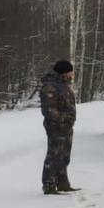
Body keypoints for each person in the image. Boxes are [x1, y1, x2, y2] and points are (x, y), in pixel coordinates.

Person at [40, 59, 78, 195]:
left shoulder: (63, 85)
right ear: (64, 72)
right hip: (56, 127)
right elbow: (49, 109)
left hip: (66, 126)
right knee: (54, 155)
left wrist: (68, 122)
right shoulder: (50, 86)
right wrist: (62, 121)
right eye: (70, 72)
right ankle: (49, 184)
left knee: (64, 155)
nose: (72, 74)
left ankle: (62, 183)